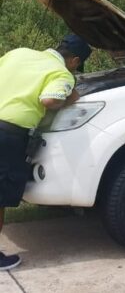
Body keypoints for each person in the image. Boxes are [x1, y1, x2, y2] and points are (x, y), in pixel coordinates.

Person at [0, 34, 92, 270]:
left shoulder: (18, 53)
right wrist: (71, 96)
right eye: (77, 67)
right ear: (74, 61)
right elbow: (50, 100)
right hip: (8, 133)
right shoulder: (61, 74)